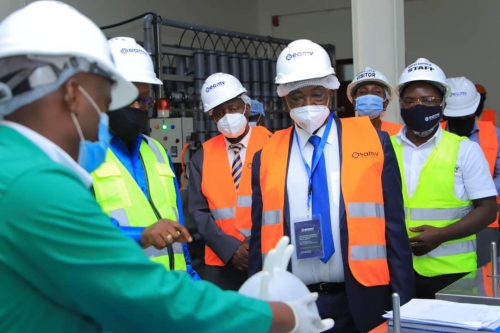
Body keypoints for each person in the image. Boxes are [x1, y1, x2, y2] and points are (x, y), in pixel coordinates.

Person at [0, 2, 331, 332]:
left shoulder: (17, 166)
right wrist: (281, 317)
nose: (106, 117)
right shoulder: (34, 183)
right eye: (106, 104)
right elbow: (134, 292)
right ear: (74, 95)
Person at [248, 39, 415, 333]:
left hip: (363, 299)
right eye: (297, 97)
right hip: (292, 300)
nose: (308, 105)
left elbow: (395, 231)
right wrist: (256, 304)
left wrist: (405, 306)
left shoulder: (374, 141)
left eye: (317, 94)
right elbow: (259, 239)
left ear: (331, 91)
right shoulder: (267, 154)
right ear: (283, 98)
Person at [90, 36, 199, 279]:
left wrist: (190, 280)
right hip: (122, 296)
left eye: (145, 100)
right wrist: (141, 234)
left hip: (172, 290)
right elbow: (81, 233)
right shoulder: (84, 155)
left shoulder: (157, 151)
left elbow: (179, 234)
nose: (139, 108)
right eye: (131, 99)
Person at [391, 58, 497, 299]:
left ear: (443, 104)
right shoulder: (387, 149)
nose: (418, 106)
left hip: (453, 275)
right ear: (401, 105)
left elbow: (488, 209)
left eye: (428, 101)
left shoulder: (465, 149)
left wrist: (441, 235)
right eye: (410, 101)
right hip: (397, 271)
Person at [188, 72, 272, 290]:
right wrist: (231, 249)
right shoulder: (202, 157)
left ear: (246, 106)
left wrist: (254, 245)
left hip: (268, 256)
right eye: (219, 112)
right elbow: (199, 212)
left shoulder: (274, 145)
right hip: (222, 263)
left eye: (233, 108)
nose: (227, 116)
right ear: (212, 117)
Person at [442, 76, 500, 267]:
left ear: (476, 109)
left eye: (465, 117)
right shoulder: (435, 134)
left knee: (484, 275)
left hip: (486, 221)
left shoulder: (494, 134)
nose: (460, 122)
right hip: (444, 222)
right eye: (455, 118)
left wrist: (478, 189)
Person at [346, 67, 402, 135]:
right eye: (363, 91)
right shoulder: (343, 131)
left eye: (376, 91)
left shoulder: (399, 133)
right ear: (354, 102)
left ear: (385, 103)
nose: (369, 95)